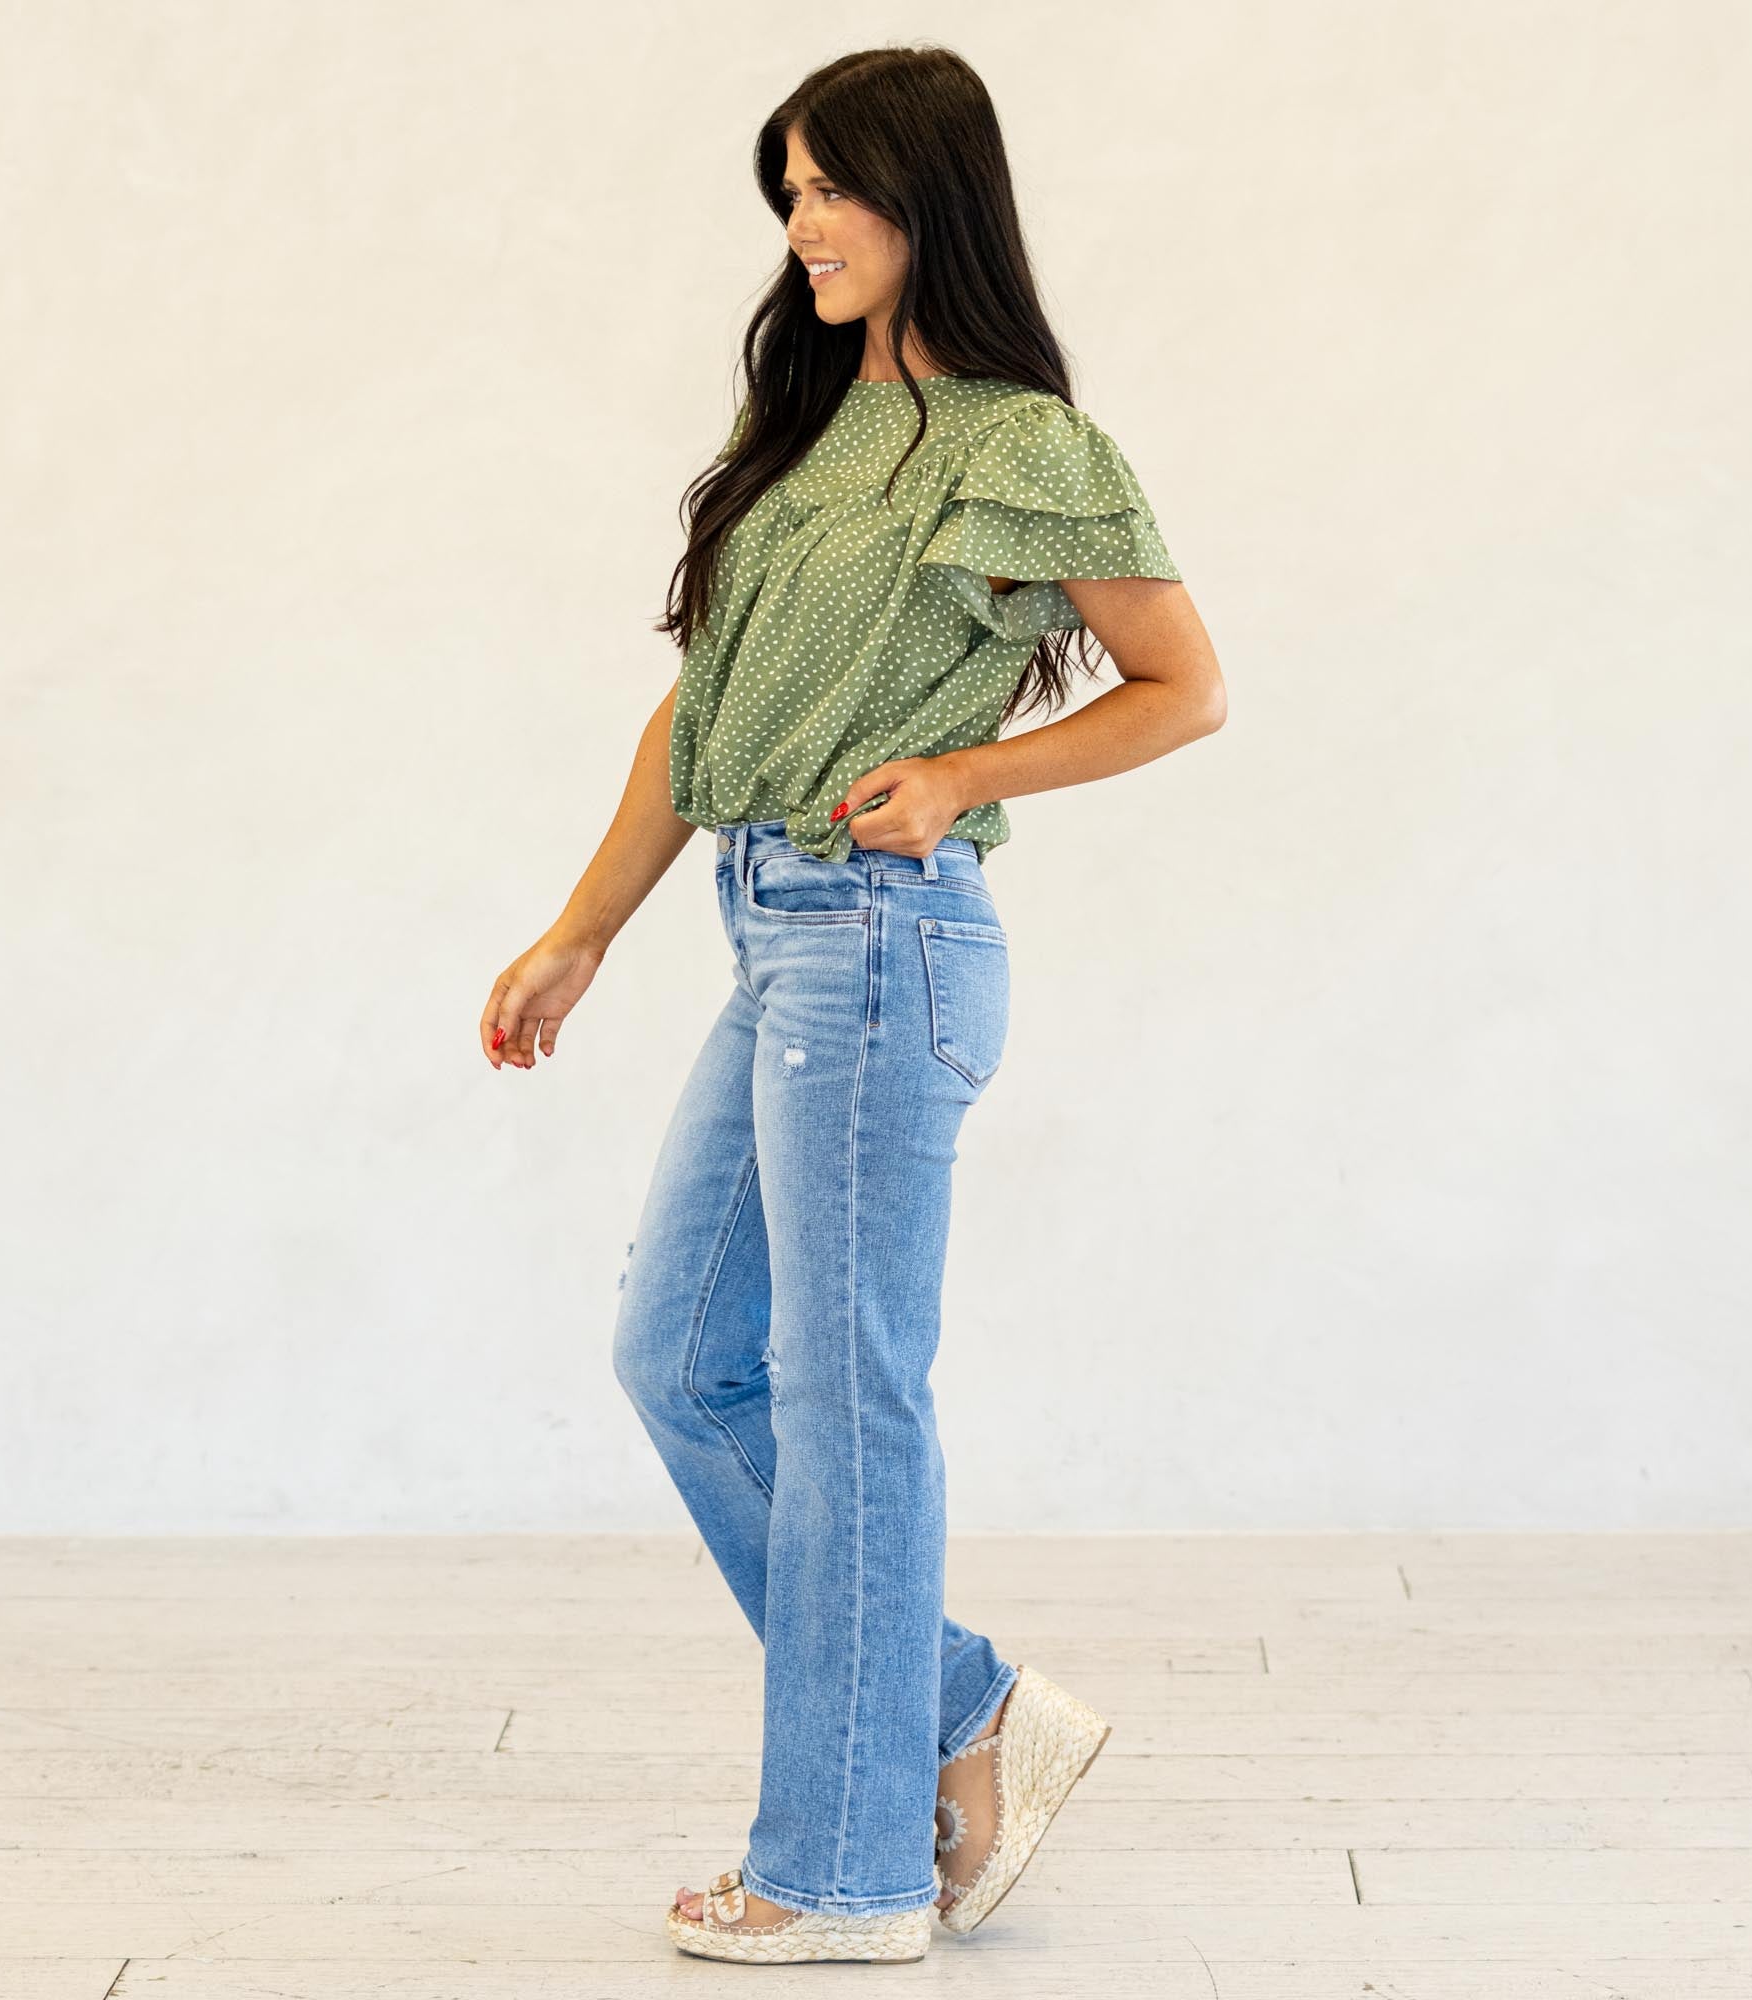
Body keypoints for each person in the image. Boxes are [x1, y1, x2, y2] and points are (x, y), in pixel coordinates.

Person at [479, 44, 1225, 1966]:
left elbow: (1184, 687)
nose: (803, 225)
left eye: (833, 188)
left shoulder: (1025, 445)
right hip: (774, 931)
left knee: (845, 1396)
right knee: (681, 1359)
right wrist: (582, 931)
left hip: (884, 939)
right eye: (789, 191)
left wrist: (967, 775)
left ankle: (844, 1873)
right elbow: (701, 708)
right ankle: (959, 1709)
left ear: (927, 199)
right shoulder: (805, 430)